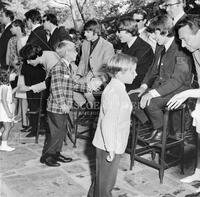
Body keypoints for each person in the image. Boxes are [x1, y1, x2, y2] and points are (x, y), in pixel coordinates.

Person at [131, 14, 193, 143]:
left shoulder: (181, 47)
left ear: (162, 32)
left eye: (154, 34)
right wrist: (143, 87)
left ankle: (161, 131)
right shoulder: (160, 47)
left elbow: (177, 80)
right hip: (160, 87)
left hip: (178, 89)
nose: (152, 37)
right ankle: (155, 125)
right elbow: (153, 70)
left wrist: (152, 94)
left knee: (151, 103)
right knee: (131, 98)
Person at [87, 53, 137, 197]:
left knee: (101, 178)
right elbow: (108, 124)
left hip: (109, 143)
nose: (136, 74)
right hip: (109, 145)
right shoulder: (115, 91)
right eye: (132, 71)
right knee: (106, 185)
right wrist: (111, 148)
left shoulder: (118, 87)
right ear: (120, 73)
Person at [167, 15, 200, 192]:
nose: (183, 45)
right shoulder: (194, 50)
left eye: (185, 39)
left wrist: (188, 93)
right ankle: (198, 172)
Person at [21, 9, 49, 137]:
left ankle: (37, 128)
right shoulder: (37, 32)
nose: (26, 23)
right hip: (32, 72)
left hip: (35, 73)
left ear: (31, 20)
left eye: (26, 20)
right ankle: (34, 126)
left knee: (35, 100)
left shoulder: (39, 33)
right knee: (33, 100)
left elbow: (31, 53)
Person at [76, 19, 115, 107]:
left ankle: (94, 110)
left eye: (87, 32)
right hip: (87, 76)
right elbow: (82, 61)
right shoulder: (85, 43)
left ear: (96, 32)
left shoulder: (107, 46)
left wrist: (90, 77)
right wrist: (78, 75)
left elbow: (106, 68)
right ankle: (85, 107)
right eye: (84, 32)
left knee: (87, 90)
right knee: (71, 86)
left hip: (101, 77)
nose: (85, 34)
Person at [116, 17, 154, 92]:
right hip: (126, 83)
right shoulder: (126, 46)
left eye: (119, 31)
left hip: (138, 87)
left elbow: (137, 76)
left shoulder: (144, 49)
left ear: (128, 31)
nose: (117, 34)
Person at [0, 68, 15, 151]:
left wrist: (17, 88)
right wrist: (8, 112)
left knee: (9, 125)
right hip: (5, 109)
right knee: (7, 127)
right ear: (7, 76)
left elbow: (9, 95)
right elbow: (3, 100)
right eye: (13, 74)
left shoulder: (7, 86)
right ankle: (3, 145)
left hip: (7, 107)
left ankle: (1, 136)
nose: (15, 75)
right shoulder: (5, 87)